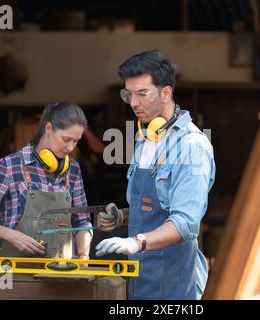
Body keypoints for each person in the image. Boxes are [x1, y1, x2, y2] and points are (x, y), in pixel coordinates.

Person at [95, 50, 216, 300]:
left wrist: (136, 242)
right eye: (128, 94)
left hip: (173, 284)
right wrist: (123, 217)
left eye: (142, 93)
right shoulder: (145, 137)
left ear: (166, 92)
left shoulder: (191, 146)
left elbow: (185, 223)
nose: (133, 103)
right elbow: (153, 209)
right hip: (140, 277)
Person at [0, 102, 92, 260]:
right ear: (49, 128)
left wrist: (83, 254)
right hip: (17, 275)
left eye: (76, 141)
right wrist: (10, 235)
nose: (70, 148)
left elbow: (82, 222)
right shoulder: (12, 166)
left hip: (62, 274)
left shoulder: (73, 169)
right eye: (66, 139)